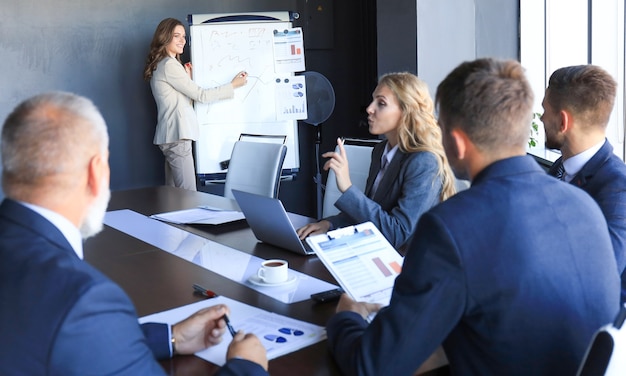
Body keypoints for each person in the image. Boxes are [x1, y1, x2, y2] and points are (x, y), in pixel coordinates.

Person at [325, 58, 620, 375]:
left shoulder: (449, 227)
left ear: (457, 142)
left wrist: (346, 317)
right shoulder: (585, 206)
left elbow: (372, 367)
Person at [0, 92, 267, 375]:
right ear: (96, 170)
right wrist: (246, 366)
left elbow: (49, 340)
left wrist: (170, 337)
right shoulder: (84, 299)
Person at [297, 72, 456, 249]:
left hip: (408, 262)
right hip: (376, 250)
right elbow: (372, 213)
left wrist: (347, 188)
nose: (369, 109)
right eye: (373, 101)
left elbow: (397, 234)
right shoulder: (381, 150)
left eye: (381, 103)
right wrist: (330, 224)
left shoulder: (424, 162)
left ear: (406, 111)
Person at [542, 64, 626, 304]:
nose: (541, 118)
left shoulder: (617, 186)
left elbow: (604, 273)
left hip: (585, 327)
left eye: (545, 109)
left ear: (563, 121)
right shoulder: (559, 167)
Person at [143, 18, 248, 191]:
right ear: (165, 37)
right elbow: (202, 95)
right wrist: (233, 85)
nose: (182, 40)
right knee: (188, 196)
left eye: (183, 36)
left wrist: (187, 78)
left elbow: (181, 101)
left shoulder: (164, 64)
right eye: (176, 36)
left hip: (170, 136)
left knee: (173, 196)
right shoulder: (170, 65)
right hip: (178, 137)